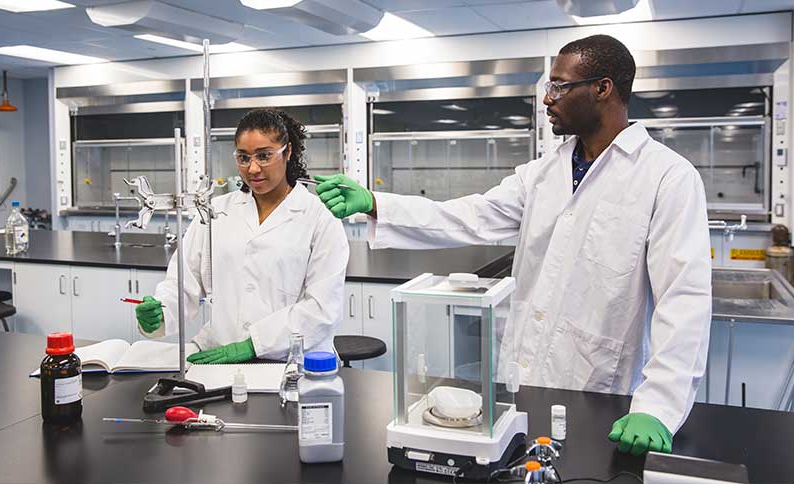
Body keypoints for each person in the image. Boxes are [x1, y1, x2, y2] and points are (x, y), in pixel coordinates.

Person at [314, 35, 711, 456]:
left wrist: (659, 405)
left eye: (559, 86)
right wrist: (377, 203)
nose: (546, 99)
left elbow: (683, 299)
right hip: (521, 383)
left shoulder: (667, 178)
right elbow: (471, 216)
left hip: (600, 389)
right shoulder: (542, 173)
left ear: (602, 88)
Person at [136, 109, 349, 363]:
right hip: (221, 357)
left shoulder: (320, 217)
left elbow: (322, 309)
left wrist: (253, 344)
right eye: (243, 157)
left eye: (264, 156)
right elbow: (182, 283)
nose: (253, 168)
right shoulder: (215, 212)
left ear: (288, 151)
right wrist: (160, 312)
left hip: (292, 363)